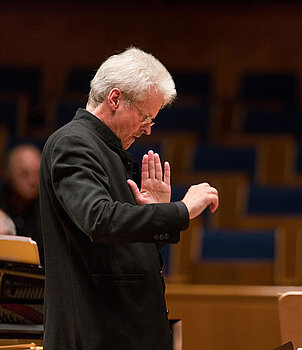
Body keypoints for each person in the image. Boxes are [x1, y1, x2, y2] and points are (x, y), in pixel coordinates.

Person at [39, 47, 219, 350]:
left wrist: (157, 213)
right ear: (114, 99)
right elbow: (99, 219)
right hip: (95, 333)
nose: (148, 128)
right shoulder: (73, 144)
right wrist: (181, 210)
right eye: (145, 116)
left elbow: (117, 247)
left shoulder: (105, 149)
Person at [0, 144, 43, 261]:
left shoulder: (49, 210)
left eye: (38, 174)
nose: (33, 181)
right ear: (8, 173)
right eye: (24, 174)